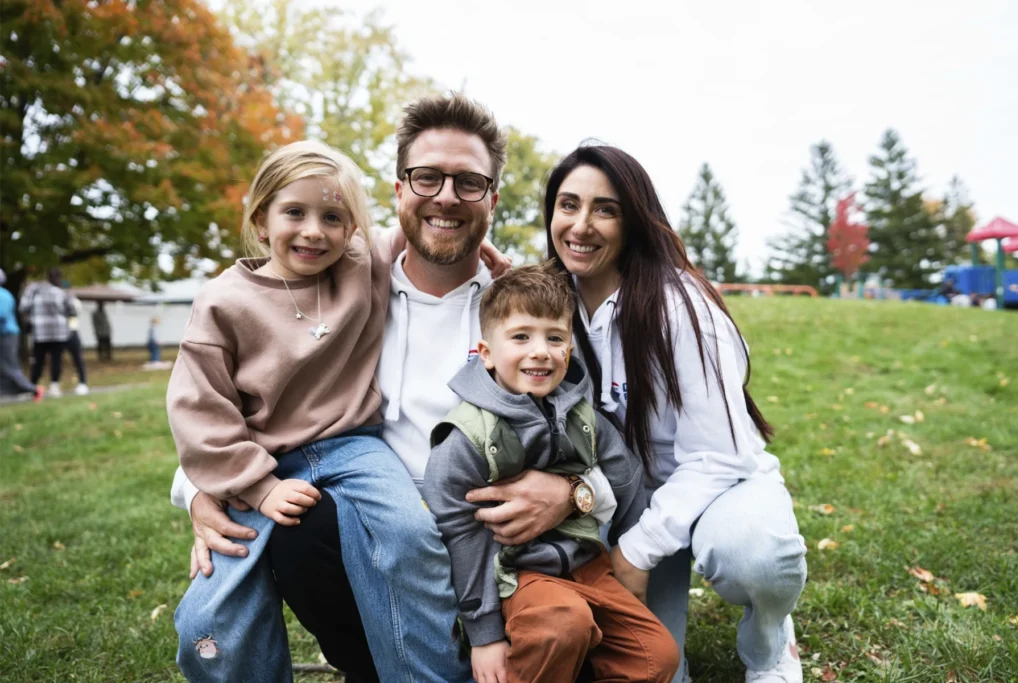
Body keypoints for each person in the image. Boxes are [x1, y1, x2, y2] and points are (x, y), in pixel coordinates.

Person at [171, 93, 613, 680]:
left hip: (498, 542)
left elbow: (598, 438)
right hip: (375, 525)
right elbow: (249, 406)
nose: (447, 197)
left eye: (469, 182)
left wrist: (575, 493)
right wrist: (201, 495)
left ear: (493, 198)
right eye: (427, 178)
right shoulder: (350, 286)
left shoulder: (532, 312)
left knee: (560, 638)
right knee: (301, 530)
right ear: (400, 191)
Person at [166, 139, 475, 683]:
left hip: (355, 448)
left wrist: (490, 256)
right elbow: (200, 410)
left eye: (333, 216)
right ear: (261, 219)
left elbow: (426, 217)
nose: (314, 231)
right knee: (208, 621)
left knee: (409, 536)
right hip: (259, 460)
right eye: (294, 212)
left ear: (353, 228)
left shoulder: (361, 265)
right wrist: (257, 489)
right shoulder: (222, 302)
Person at [544, 145, 807, 683]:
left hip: (717, 485)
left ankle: (770, 644)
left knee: (755, 559)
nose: (581, 225)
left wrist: (638, 552)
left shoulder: (679, 307)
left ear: (634, 220)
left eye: (605, 209)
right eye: (568, 205)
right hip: (625, 502)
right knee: (656, 671)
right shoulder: (550, 303)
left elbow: (720, 454)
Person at [423, 263, 679, 683]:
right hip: (518, 576)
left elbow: (626, 476)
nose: (540, 350)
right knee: (564, 624)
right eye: (521, 336)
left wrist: (629, 554)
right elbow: (460, 534)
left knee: (656, 657)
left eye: (554, 338)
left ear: (569, 350)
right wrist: (484, 632)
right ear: (486, 353)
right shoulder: (470, 436)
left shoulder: (581, 416)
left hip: (587, 566)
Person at [20, 267, 75, 398]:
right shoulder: (62, 293)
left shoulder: (34, 290)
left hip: (40, 332)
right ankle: (54, 386)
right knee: (56, 360)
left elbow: (23, 307)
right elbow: (73, 310)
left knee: (37, 360)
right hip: (59, 333)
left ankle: (32, 388)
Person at [0, 268, 43, 399]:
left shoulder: (3, 295)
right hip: (4, 334)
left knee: (9, 364)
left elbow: (1, 314)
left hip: (7, 335)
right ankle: (8, 391)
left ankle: (34, 389)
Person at [64, 289, 90, 395]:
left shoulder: (73, 301)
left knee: (78, 359)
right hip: (58, 334)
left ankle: (82, 383)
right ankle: (54, 384)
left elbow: (74, 313)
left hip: (72, 332)